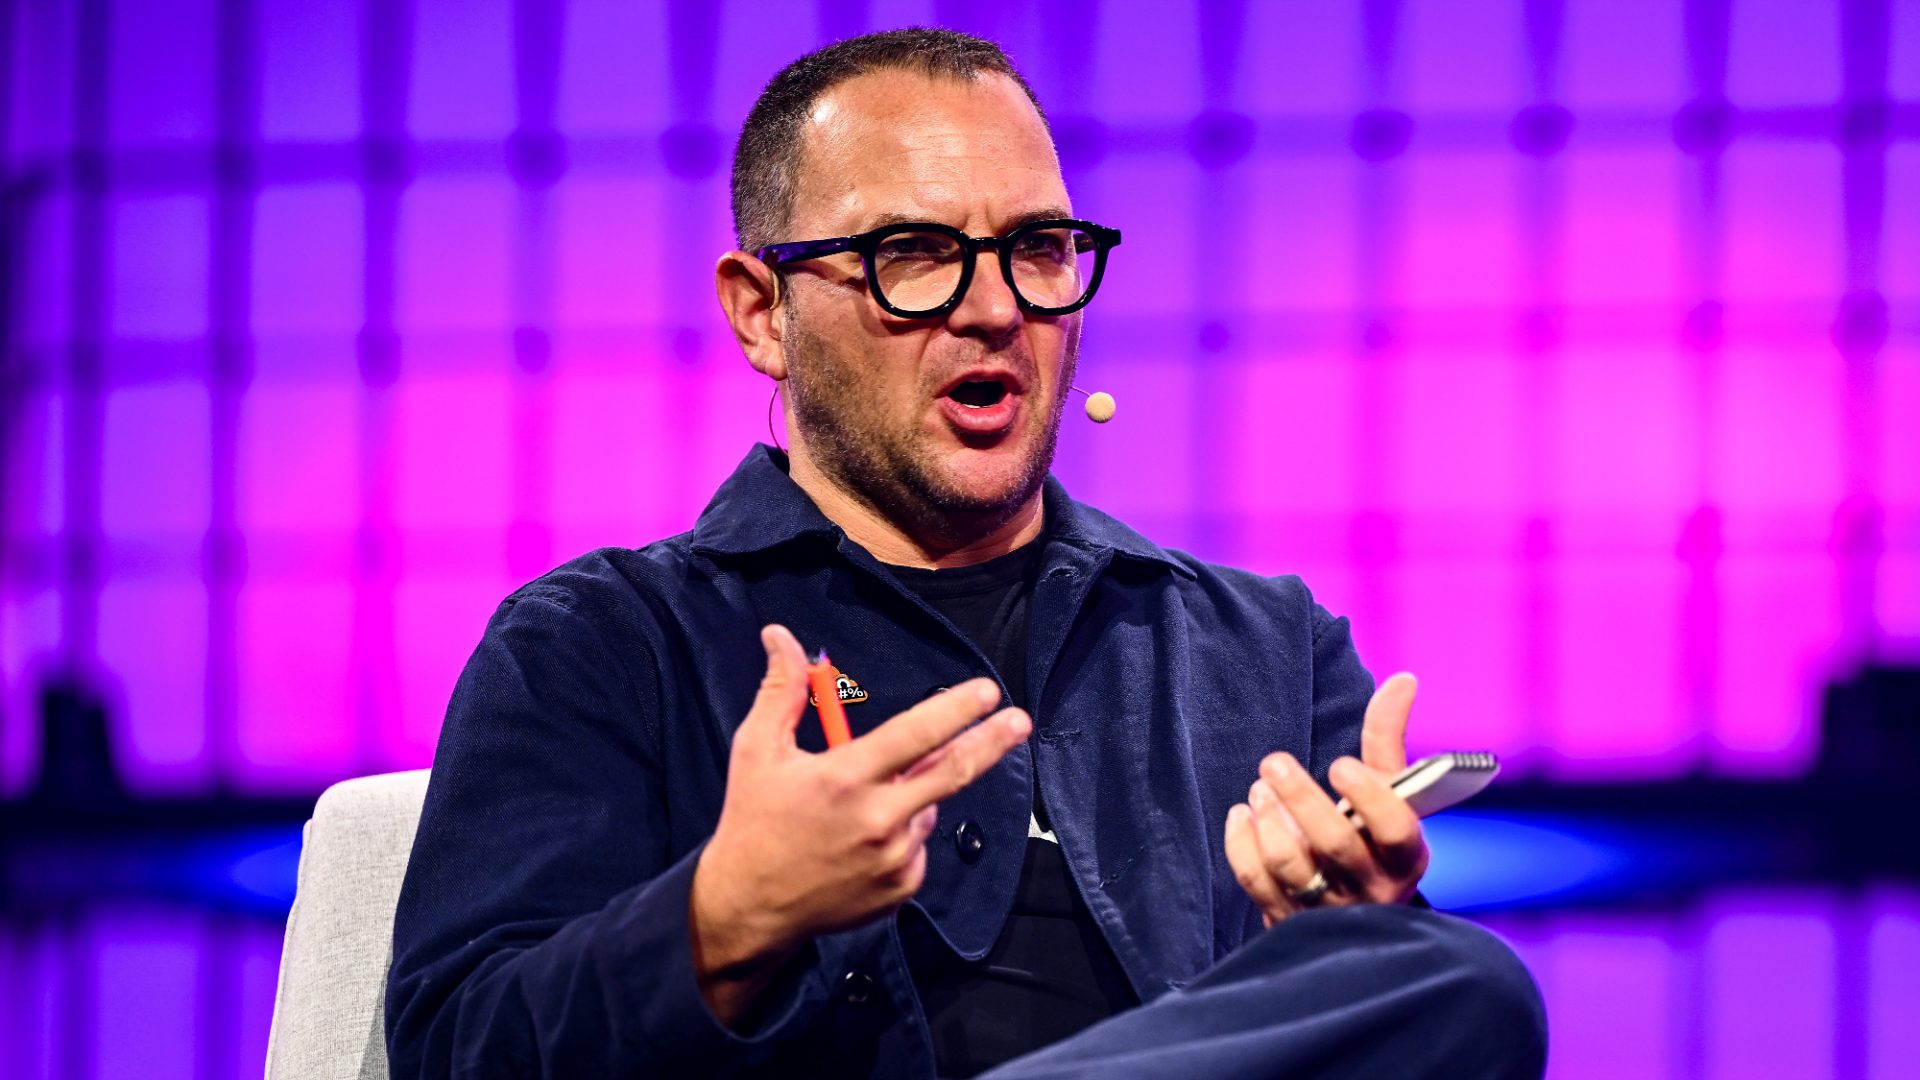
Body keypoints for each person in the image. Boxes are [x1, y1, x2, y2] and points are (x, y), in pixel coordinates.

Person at [385, 28, 1546, 1080]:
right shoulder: (606, 642)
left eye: (1037, 247)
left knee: (1462, 980)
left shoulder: (1259, 648)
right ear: (760, 313)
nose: (994, 309)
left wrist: (1336, 935)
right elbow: (456, 1050)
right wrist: (725, 915)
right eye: (915, 251)